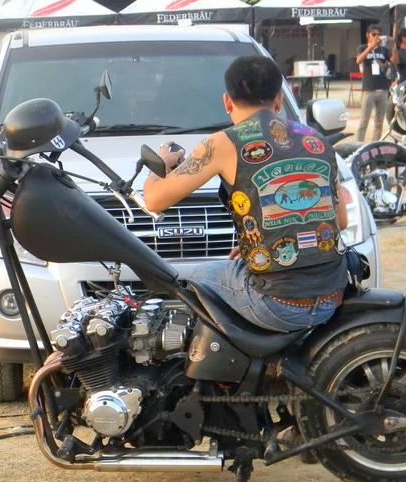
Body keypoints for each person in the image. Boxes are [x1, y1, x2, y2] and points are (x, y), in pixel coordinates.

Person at [143, 55, 348, 333]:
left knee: (200, 275)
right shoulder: (316, 139)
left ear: (227, 102)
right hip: (332, 296)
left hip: (276, 302)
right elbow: (340, 221)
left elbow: (154, 200)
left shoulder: (224, 143)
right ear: (278, 100)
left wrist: (159, 165)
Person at [355, 25, 391, 142]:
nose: (376, 36)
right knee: (364, 121)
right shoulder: (362, 47)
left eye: (378, 34)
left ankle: (375, 143)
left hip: (383, 88)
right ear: (368, 35)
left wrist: (393, 46)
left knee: (379, 122)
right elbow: (359, 60)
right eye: (373, 34)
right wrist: (370, 47)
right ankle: (357, 145)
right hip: (369, 88)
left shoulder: (384, 50)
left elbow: (393, 61)